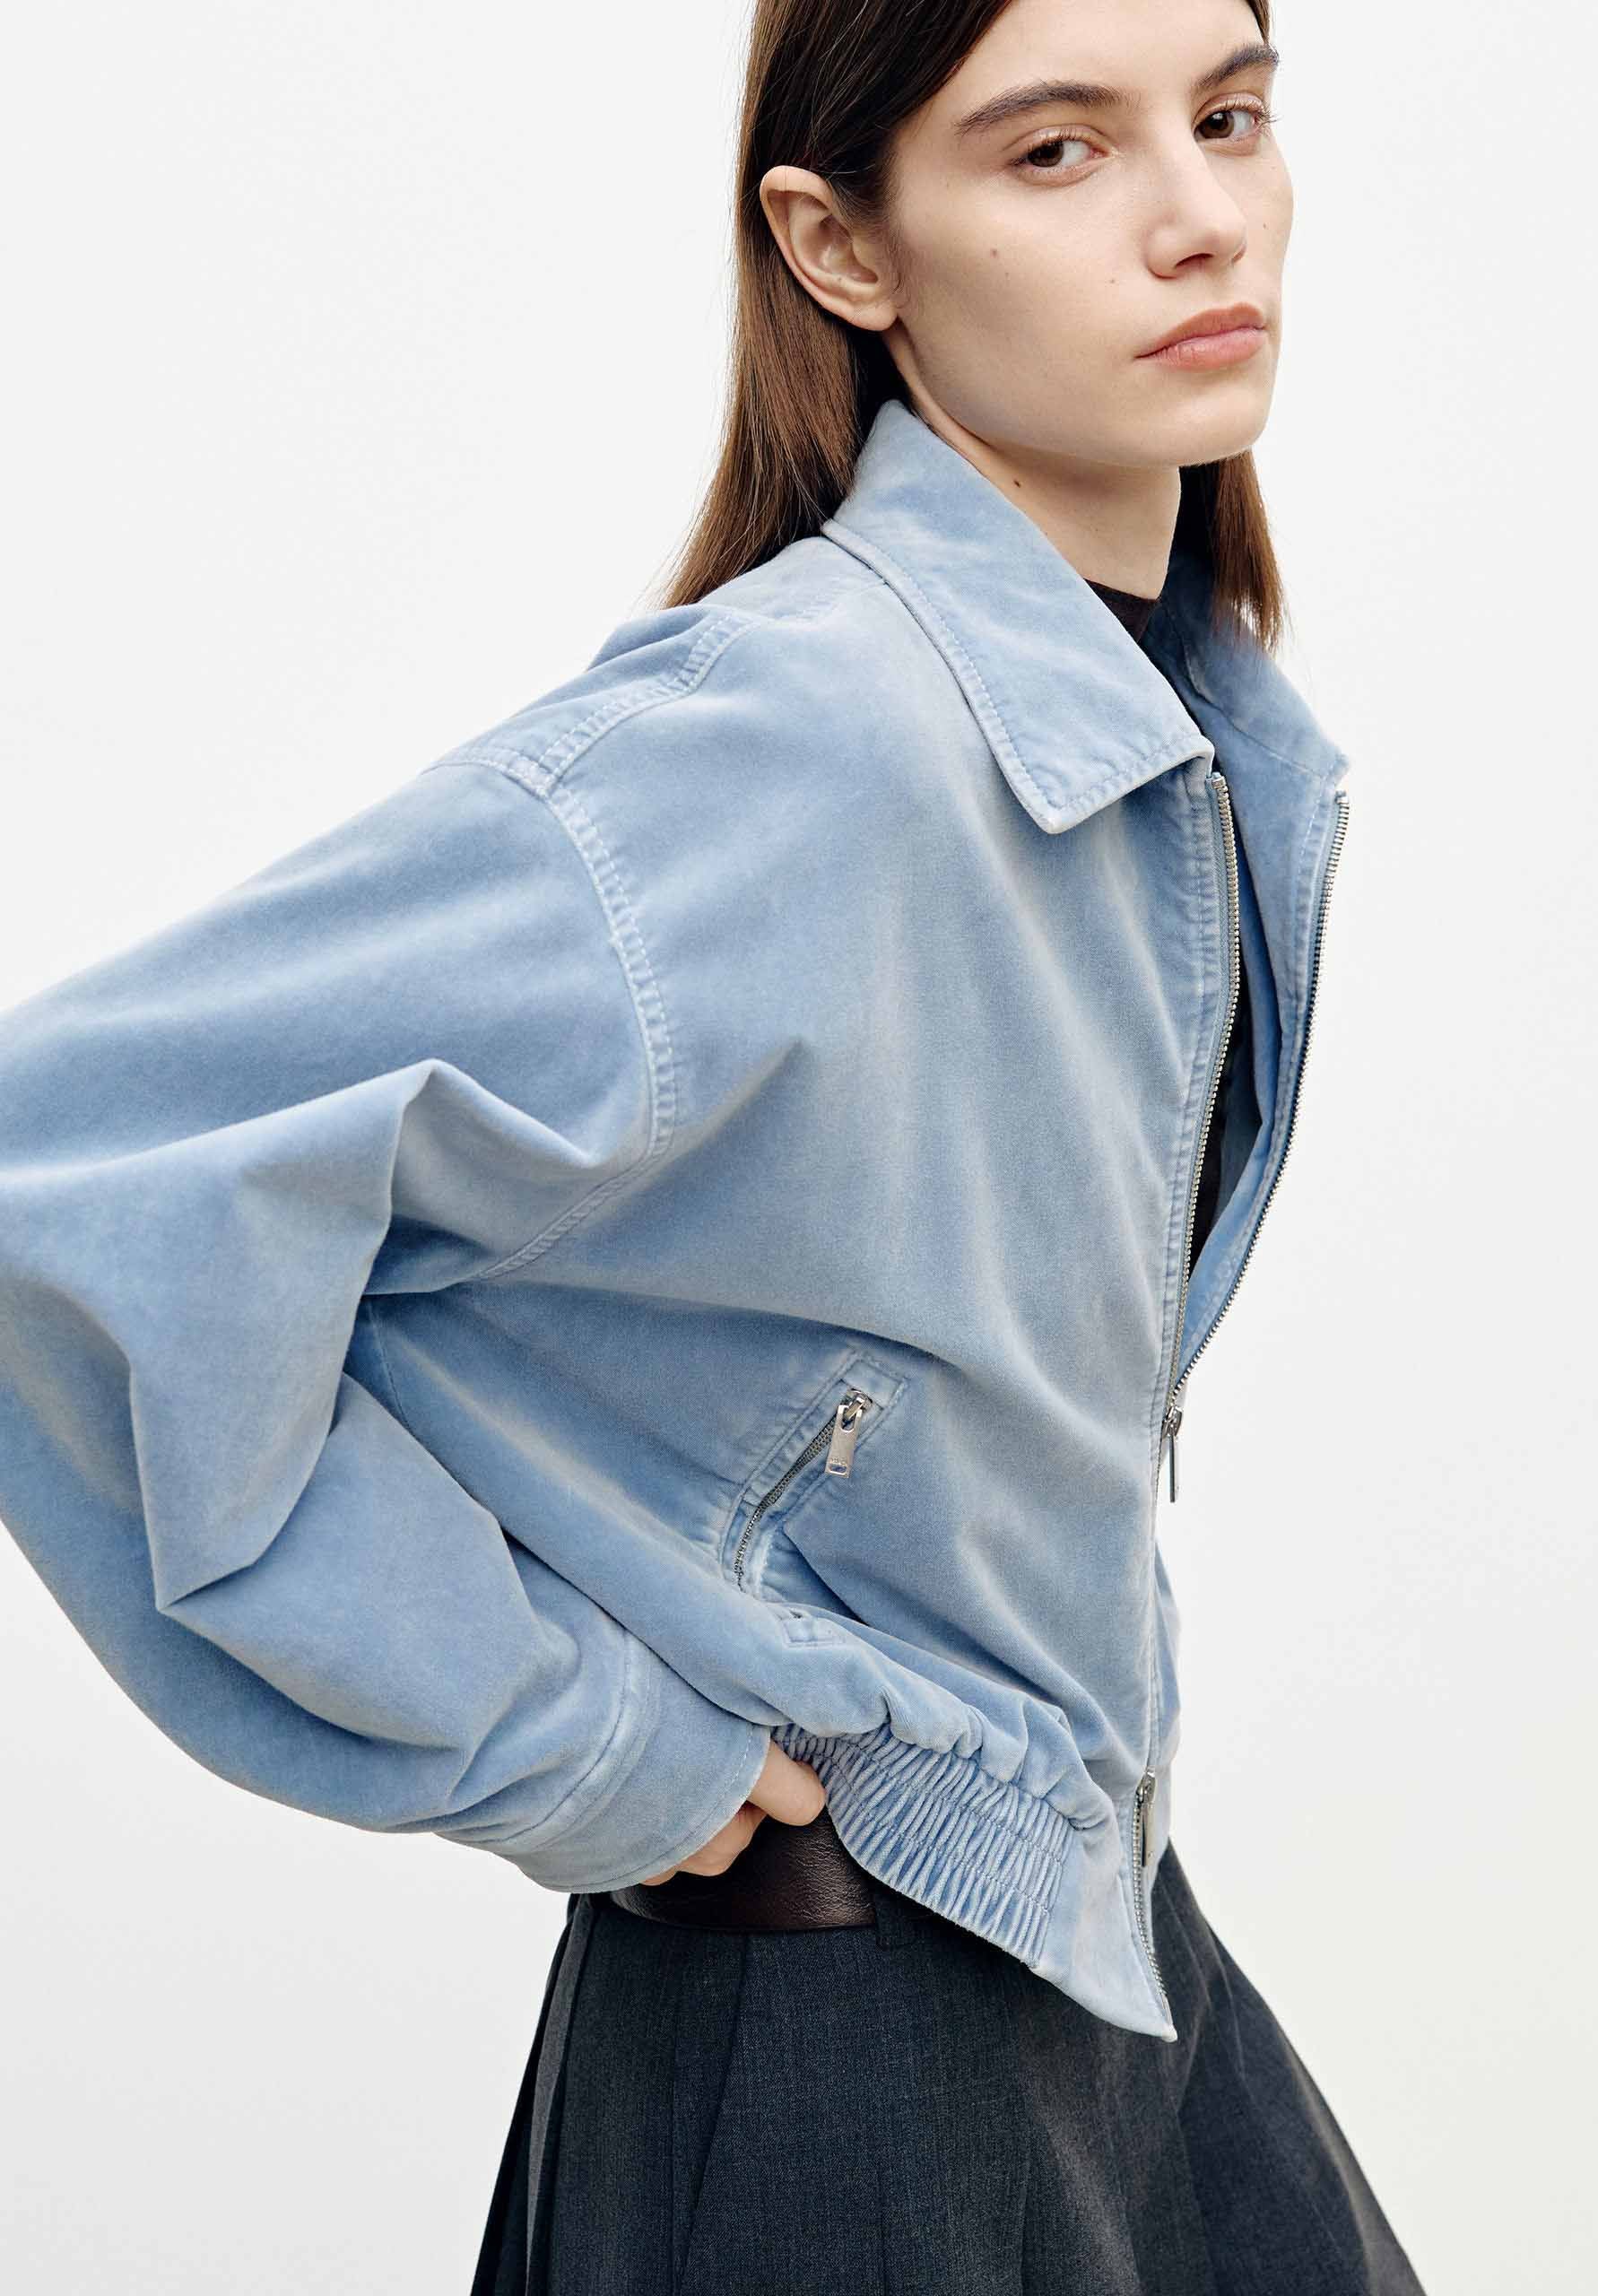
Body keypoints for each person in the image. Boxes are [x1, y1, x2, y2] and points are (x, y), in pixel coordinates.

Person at [0, 0, 1428, 2289]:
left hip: (1086, 1931)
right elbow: (60, 1183)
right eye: (1056, 151)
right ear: (841, 245)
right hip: (834, 2029)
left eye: (1231, 115)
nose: (1200, 216)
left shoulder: (1186, 725)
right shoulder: (800, 741)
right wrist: (584, 1741)